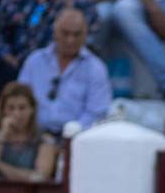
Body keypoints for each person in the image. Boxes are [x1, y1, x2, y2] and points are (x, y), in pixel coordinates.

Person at [17, 8, 111, 136]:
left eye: (76, 34)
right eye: (65, 33)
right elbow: (20, 98)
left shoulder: (96, 68)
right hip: (33, 137)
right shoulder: (34, 61)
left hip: (76, 139)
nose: (70, 40)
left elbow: (96, 112)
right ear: (54, 32)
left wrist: (72, 132)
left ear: (86, 34)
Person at [0, 82, 56, 181]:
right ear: (3, 110)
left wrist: (0, 166)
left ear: (32, 109)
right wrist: (2, 135)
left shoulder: (44, 140)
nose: (16, 114)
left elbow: (39, 177)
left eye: (22, 108)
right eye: (11, 108)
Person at [0, 0, 98, 62]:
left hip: (63, 65)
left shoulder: (79, 1)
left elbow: (90, 31)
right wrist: (6, 55)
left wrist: (69, 6)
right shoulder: (15, 0)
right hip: (15, 65)